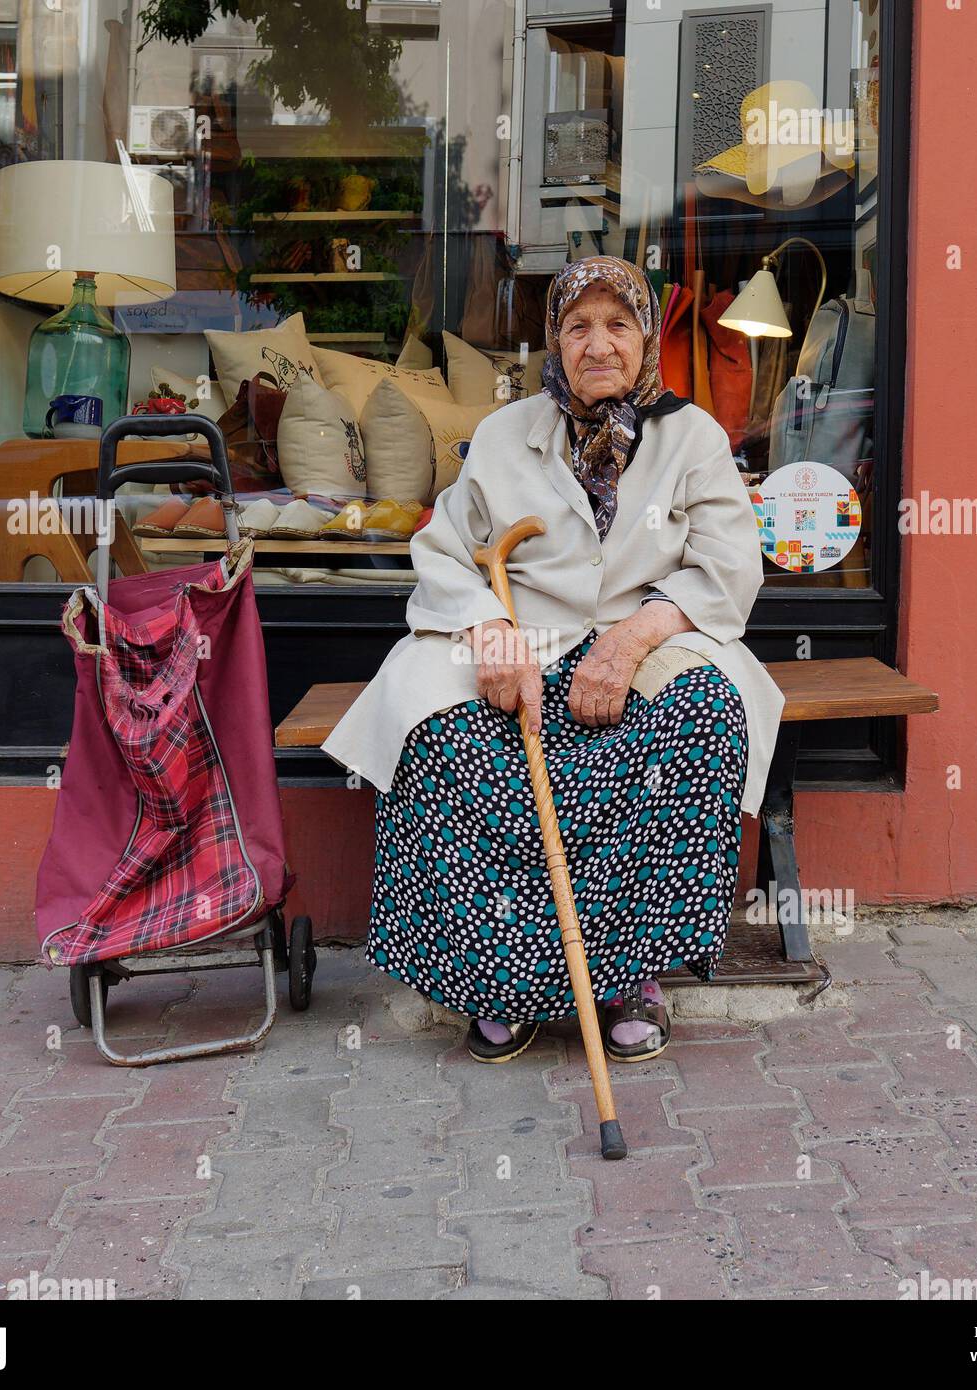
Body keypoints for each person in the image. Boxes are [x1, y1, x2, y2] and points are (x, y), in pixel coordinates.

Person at [323, 255, 784, 1063]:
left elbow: (726, 567)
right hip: (519, 639)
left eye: (618, 324)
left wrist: (634, 636)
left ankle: (629, 974)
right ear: (555, 342)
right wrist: (487, 629)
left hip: (649, 639)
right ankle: (499, 978)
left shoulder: (693, 437)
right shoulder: (505, 434)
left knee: (706, 716)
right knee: (438, 735)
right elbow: (442, 552)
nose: (598, 344)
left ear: (645, 337)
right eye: (578, 327)